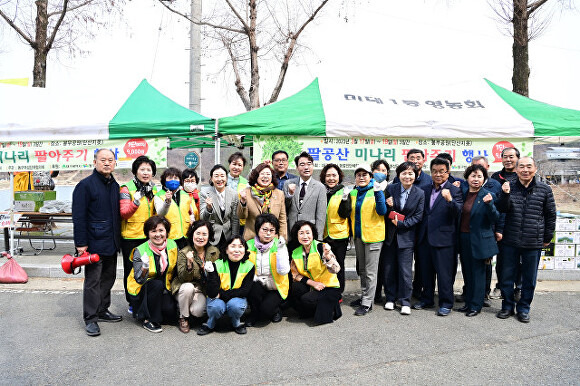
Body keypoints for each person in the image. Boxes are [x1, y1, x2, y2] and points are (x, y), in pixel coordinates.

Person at [495, 156, 556, 323]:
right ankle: (507, 306)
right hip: (510, 240)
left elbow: (550, 215)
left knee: (529, 278)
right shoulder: (508, 187)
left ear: (535, 169)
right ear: (516, 169)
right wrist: (505, 194)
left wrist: (547, 237)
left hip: (533, 241)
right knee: (507, 276)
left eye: (529, 166)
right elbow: (501, 209)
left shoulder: (544, 189)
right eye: (521, 167)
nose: (525, 170)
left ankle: (523, 308)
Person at [72, 148, 122, 337]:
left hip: (111, 241)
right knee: (93, 281)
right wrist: (81, 243)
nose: (107, 163)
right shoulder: (85, 185)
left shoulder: (114, 185)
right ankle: (91, 318)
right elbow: (79, 217)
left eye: (110, 160)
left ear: (115, 163)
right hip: (93, 243)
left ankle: (103, 310)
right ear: (95, 162)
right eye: (103, 160)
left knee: (108, 279)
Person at [414, 157, 463, 316]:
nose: (438, 174)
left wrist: (450, 200)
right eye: (435, 171)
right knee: (426, 272)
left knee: (445, 274)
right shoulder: (425, 189)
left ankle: (446, 303)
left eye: (442, 171)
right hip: (425, 238)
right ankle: (427, 299)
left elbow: (458, 212)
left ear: (448, 172)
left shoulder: (455, 190)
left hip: (444, 240)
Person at [341, 164, 387, 316]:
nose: (361, 177)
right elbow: (348, 213)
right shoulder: (354, 192)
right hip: (359, 236)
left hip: (373, 237)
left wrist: (379, 193)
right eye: (358, 174)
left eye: (364, 174)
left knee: (370, 272)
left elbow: (382, 211)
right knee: (361, 270)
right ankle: (364, 296)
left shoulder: (377, 190)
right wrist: (345, 198)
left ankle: (368, 302)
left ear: (370, 177)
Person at [456, 164, 499, 317]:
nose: (476, 179)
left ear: (484, 179)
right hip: (464, 237)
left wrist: (490, 205)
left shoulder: (488, 195)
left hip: (480, 239)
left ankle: (476, 305)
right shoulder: (463, 193)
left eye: (479, 176)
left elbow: (495, 218)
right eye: (473, 176)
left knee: (478, 274)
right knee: (467, 272)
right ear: (467, 178)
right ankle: (468, 302)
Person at [382, 161, 425, 315]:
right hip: (390, 237)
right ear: (398, 175)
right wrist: (388, 205)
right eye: (404, 173)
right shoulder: (390, 188)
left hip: (407, 238)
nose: (407, 176)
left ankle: (405, 301)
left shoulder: (419, 193)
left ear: (416, 175)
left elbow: (418, 217)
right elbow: (383, 211)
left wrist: (401, 224)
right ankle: (390, 299)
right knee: (389, 269)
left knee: (405, 271)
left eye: (410, 173)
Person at [119, 155, 158, 315]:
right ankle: (132, 302)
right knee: (131, 271)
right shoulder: (126, 189)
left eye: (149, 170)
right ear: (135, 171)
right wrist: (135, 202)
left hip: (149, 237)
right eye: (142, 169)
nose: (145, 172)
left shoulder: (154, 189)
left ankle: (145, 301)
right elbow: (124, 213)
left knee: (148, 270)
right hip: (131, 237)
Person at [127, 216, 178, 333]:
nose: (158, 234)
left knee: (170, 313)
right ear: (147, 233)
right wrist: (145, 267)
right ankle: (149, 320)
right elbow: (139, 279)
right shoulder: (140, 250)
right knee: (157, 284)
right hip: (143, 289)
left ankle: (158, 311)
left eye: (161, 230)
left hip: (164, 287)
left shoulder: (173, 245)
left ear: (166, 232)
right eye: (153, 231)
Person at [393, 148, 432, 300]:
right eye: (412, 158)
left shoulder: (429, 179)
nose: (415, 161)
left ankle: (417, 292)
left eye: (418, 158)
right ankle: (398, 294)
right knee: (402, 267)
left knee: (421, 264)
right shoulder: (398, 181)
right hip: (403, 232)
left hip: (422, 229)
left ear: (423, 160)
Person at [197, 236, 255, 335]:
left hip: (236, 298)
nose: (237, 250)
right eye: (233, 246)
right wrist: (211, 274)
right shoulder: (217, 264)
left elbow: (245, 291)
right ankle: (210, 323)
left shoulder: (249, 266)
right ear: (226, 250)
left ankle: (236, 322)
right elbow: (212, 293)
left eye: (240, 247)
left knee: (235, 305)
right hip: (217, 299)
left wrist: (221, 294)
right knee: (216, 307)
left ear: (245, 250)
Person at [171, 220, 220, 333]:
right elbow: (183, 278)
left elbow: (217, 275)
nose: (200, 237)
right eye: (198, 233)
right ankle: (183, 317)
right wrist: (189, 263)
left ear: (209, 236)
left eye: (204, 234)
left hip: (201, 289)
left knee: (197, 312)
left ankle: (185, 308)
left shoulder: (214, 251)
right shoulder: (184, 252)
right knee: (188, 288)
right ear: (192, 234)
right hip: (184, 287)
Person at [289, 220, 342, 325]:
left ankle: (333, 306)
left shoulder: (321, 247)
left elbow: (336, 269)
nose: (305, 236)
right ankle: (315, 309)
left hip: (329, 287)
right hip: (314, 286)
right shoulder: (296, 252)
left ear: (313, 234)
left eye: (308, 233)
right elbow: (295, 275)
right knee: (295, 289)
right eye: (301, 233)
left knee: (309, 302)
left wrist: (327, 257)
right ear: (297, 235)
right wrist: (313, 283)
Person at [245, 214, 290, 326]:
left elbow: (284, 270)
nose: (268, 233)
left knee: (266, 310)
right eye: (264, 230)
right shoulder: (248, 245)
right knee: (252, 286)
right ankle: (254, 313)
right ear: (257, 229)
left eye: (272, 230)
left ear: (275, 232)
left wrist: (281, 250)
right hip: (257, 283)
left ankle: (276, 310)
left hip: (275, 285)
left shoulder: (279, 245)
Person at [490, 146, 521, 301]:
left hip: (519, 225)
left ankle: (519, 287)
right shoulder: (496, 177)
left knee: (519, 260)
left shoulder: (522, 176)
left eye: (511, 157)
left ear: (517, 158)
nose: (508, 160)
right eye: (505, 157)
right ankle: (501, 286)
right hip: (501, 225)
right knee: (502, 260)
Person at [320, 163, 349, 295]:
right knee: (325, 264)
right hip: (324, 235)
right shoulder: (321, 191)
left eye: (334, 175)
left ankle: (338, 292)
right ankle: (327, 290)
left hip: (339, 235)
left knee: (339, 265)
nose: (331, 178)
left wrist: (344, 200)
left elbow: (345, 213)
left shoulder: (345, 191)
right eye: (328, 175)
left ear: (339, 177)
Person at [238, 162, 287, 241]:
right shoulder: (246, 192)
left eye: (268, 174)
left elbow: (282, 220)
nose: (265, 176)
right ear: (256, 176)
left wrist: (282, 239)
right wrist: (243, 202)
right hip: (251, 239)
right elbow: (242, 216)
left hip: (272, 239)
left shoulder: (279, 194)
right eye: (262, 174)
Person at [283, 151, 327, 239]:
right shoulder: (288, 183)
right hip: (292, 232)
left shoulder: (320, 187)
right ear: (297, 168)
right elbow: (284, 209)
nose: (306, 167)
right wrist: (290, 195)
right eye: (302, 164)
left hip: (310, 233)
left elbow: (321, 216)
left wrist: (318, 238)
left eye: (309, 164)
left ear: (313, 166)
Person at [200, 164, 240, 249]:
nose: (219, 179)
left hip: (228, 236)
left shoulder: (233, 194)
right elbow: (202, 218)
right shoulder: (205, 193)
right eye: (216, 176)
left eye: (222, 176)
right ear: (211, 178)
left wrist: (234, 237)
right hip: (212, 236)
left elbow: (235, 218)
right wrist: (209, 208)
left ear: (226, 178)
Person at [155, 167, 193, 249]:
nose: (173, 180)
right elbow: (160, 213)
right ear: (164, 180)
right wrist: (167, 202)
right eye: (170, 178)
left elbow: (190, 212)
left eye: (176, 178)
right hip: (169, 237)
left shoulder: (185, 194)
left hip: (185, 236)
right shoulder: (159, 195)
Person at [370, 159, 391, 303]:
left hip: (387, 231)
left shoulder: (391, 188)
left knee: (384, 265)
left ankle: (386, 294)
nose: (380, 173)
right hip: (370, 231)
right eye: (377, 170)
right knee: (370, 267)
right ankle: (373, 294)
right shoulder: (368, 186)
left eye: (384, 170)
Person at [227, 152, 249, 235]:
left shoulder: (246, 183)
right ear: (229, 164)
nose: (236, 167)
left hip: (239, 222)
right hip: (224, 220)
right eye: (234, 164)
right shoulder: (221, 179)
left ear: (243, 167)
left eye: (240, 165)